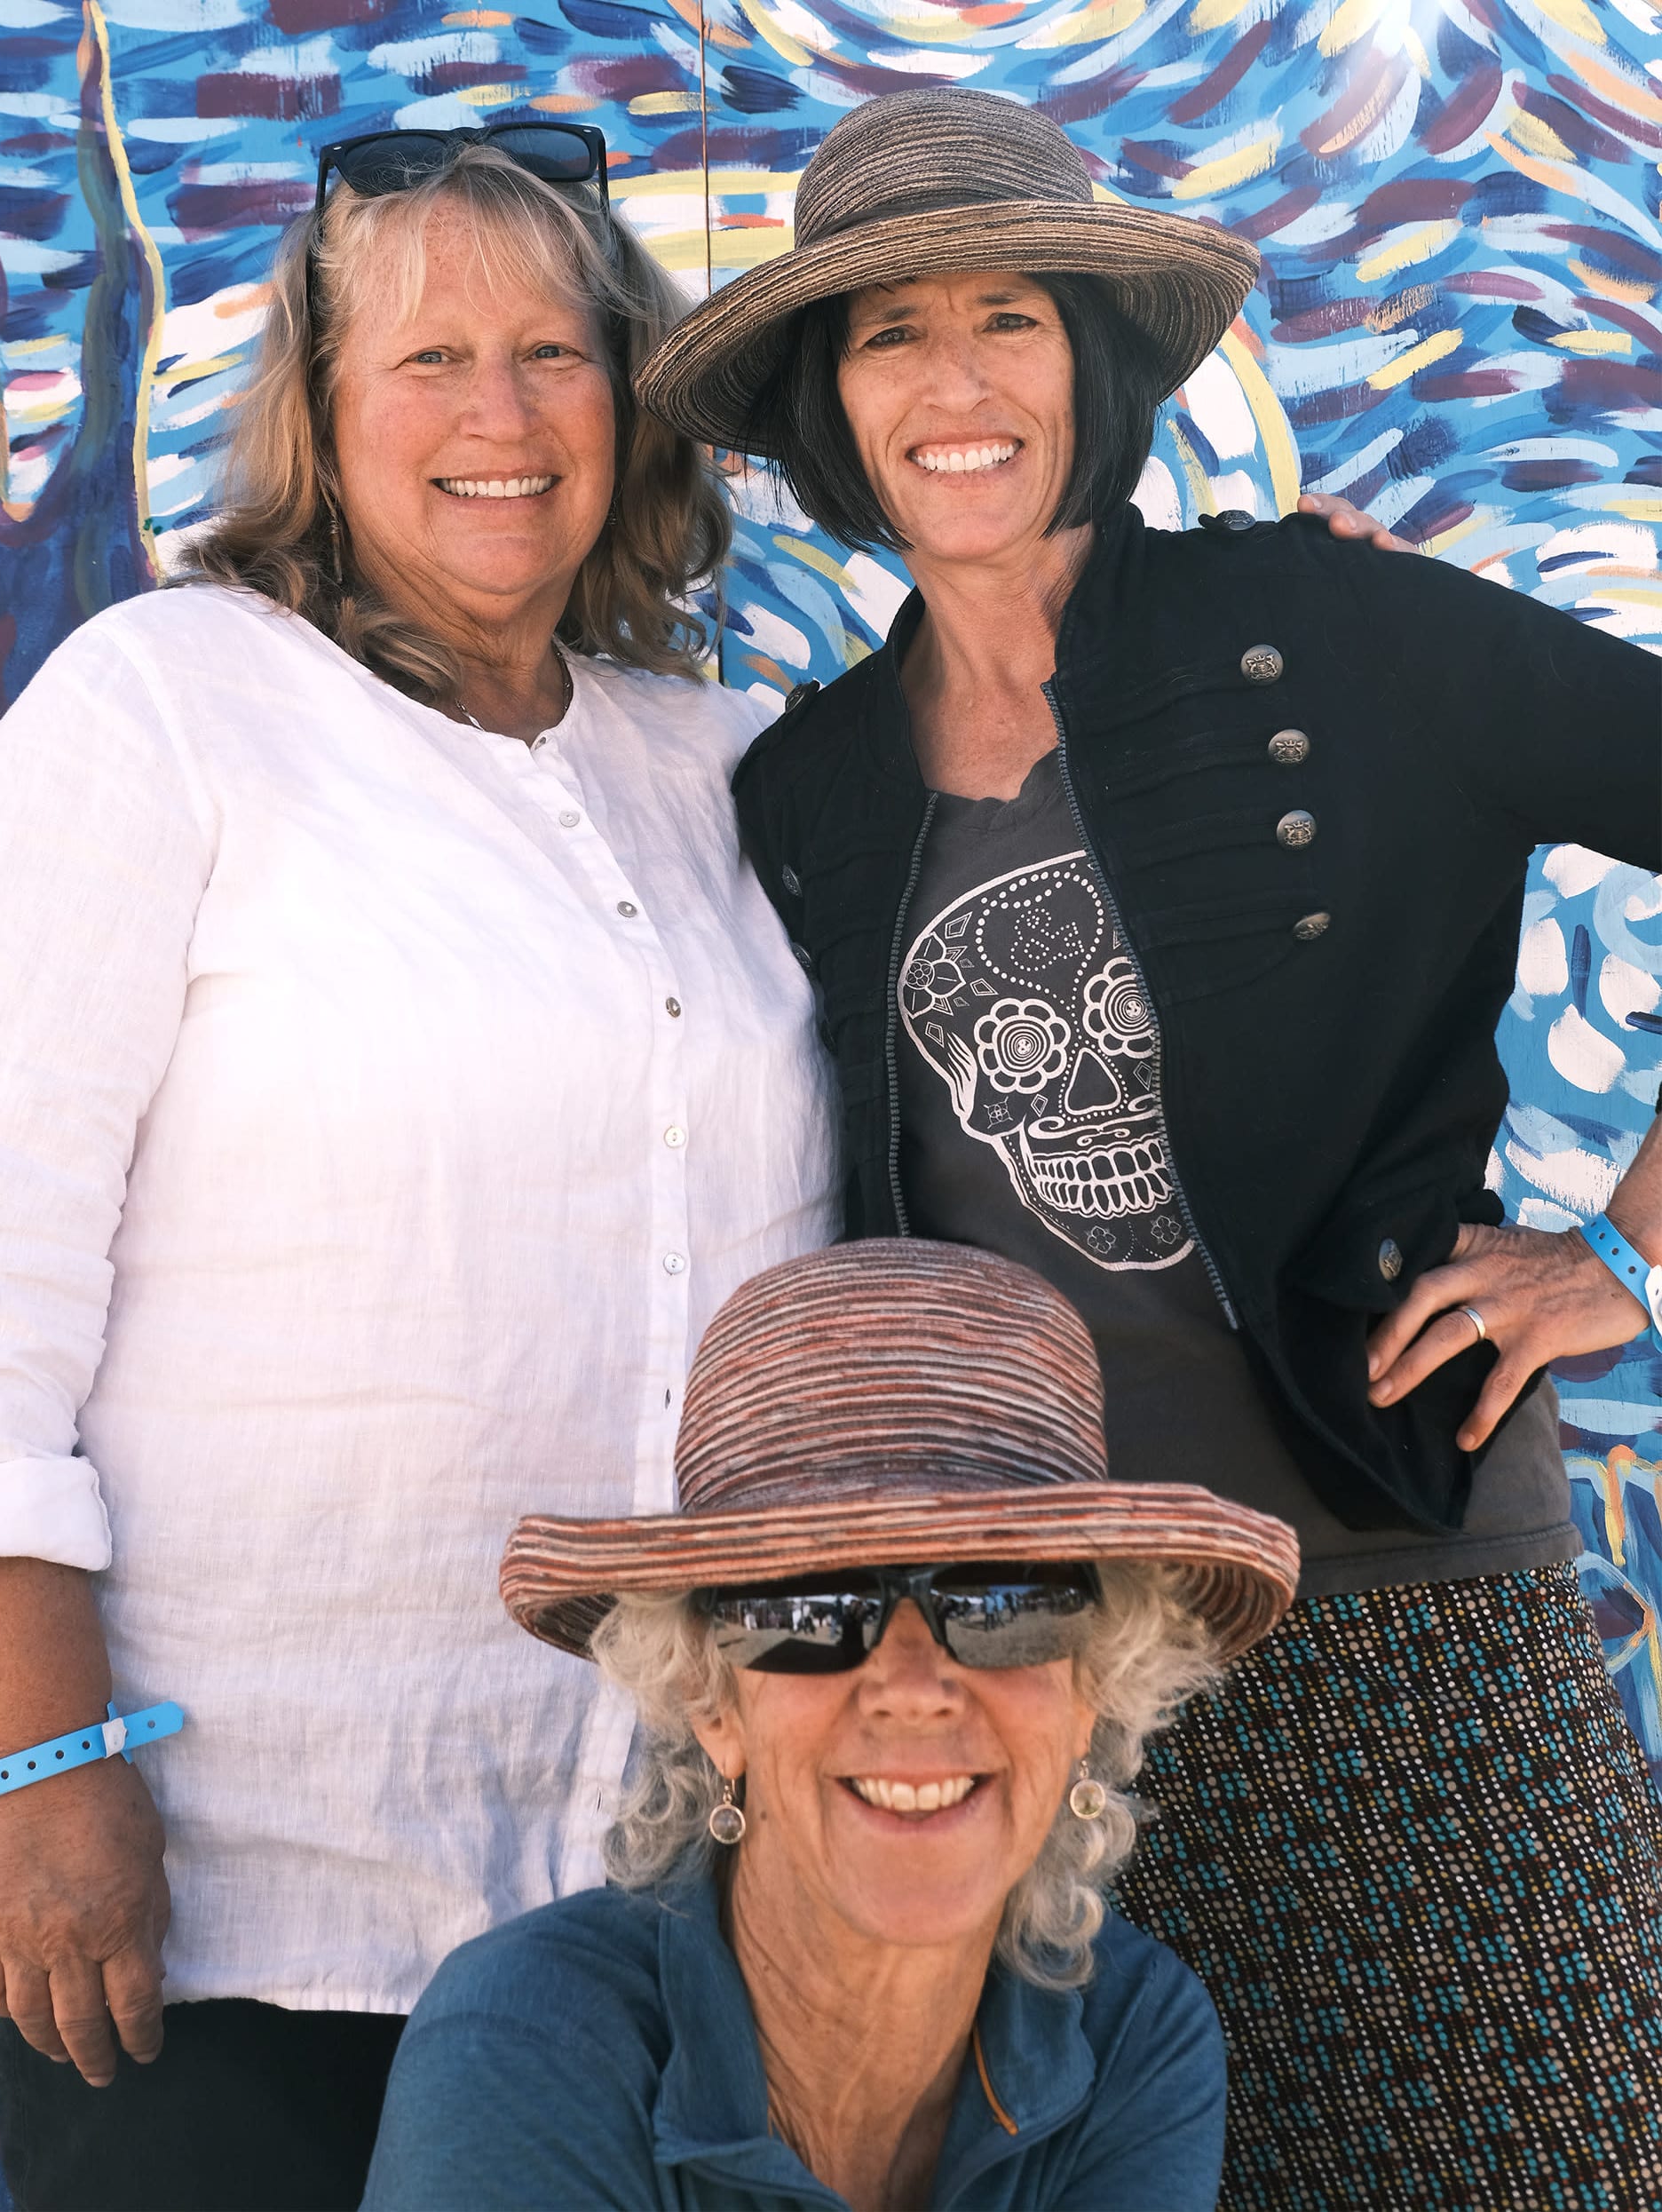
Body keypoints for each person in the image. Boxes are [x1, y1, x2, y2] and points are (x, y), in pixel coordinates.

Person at [635, 86, 1662, 2210]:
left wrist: (1629, 1251)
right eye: (885, 334)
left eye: (1004, 314)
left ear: (1086, 362)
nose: (953, 382)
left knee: (1522, 2157)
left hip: (1391, 1594)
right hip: (1023, 1665)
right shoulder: (806, 785)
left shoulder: (1342, 631)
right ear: (831, 406)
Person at [0, 124, 839, 2212]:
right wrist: (20, 1748)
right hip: (249, 1886)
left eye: (555, 353)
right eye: (429, 357)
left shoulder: (717, 765)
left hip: (655, 1891)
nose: (501, 416)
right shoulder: (166, 707)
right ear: (323, 410)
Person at [362, 1239, 1300, 2211]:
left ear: (1091, 1687)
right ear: (710, 1698)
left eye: (1006, 1600)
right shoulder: (519, 2048)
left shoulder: (1134, 2038)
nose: (911, 1685)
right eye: (812, 1609)